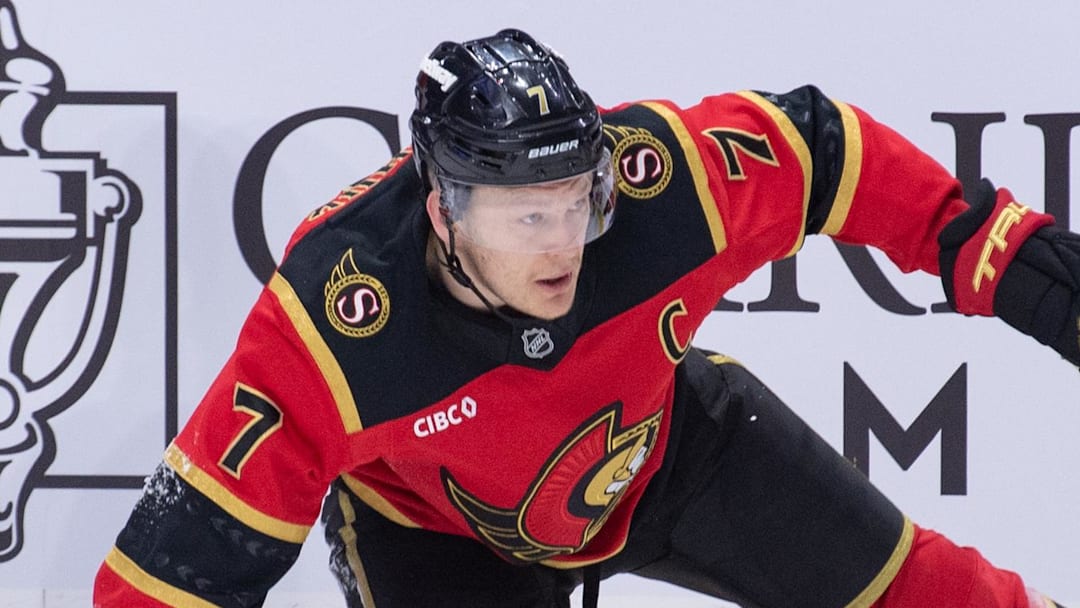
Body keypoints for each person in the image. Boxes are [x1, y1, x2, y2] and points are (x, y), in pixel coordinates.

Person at [93, 28, 1078, 608]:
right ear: (441, 208)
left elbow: (822, 150)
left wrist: (989, 243)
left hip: (667, 444)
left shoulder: (663, 181)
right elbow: (167, 569)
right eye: (529, 214)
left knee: (921, 590)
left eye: (579, 198)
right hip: (439, 530)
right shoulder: (338, 316)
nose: (565, 241)